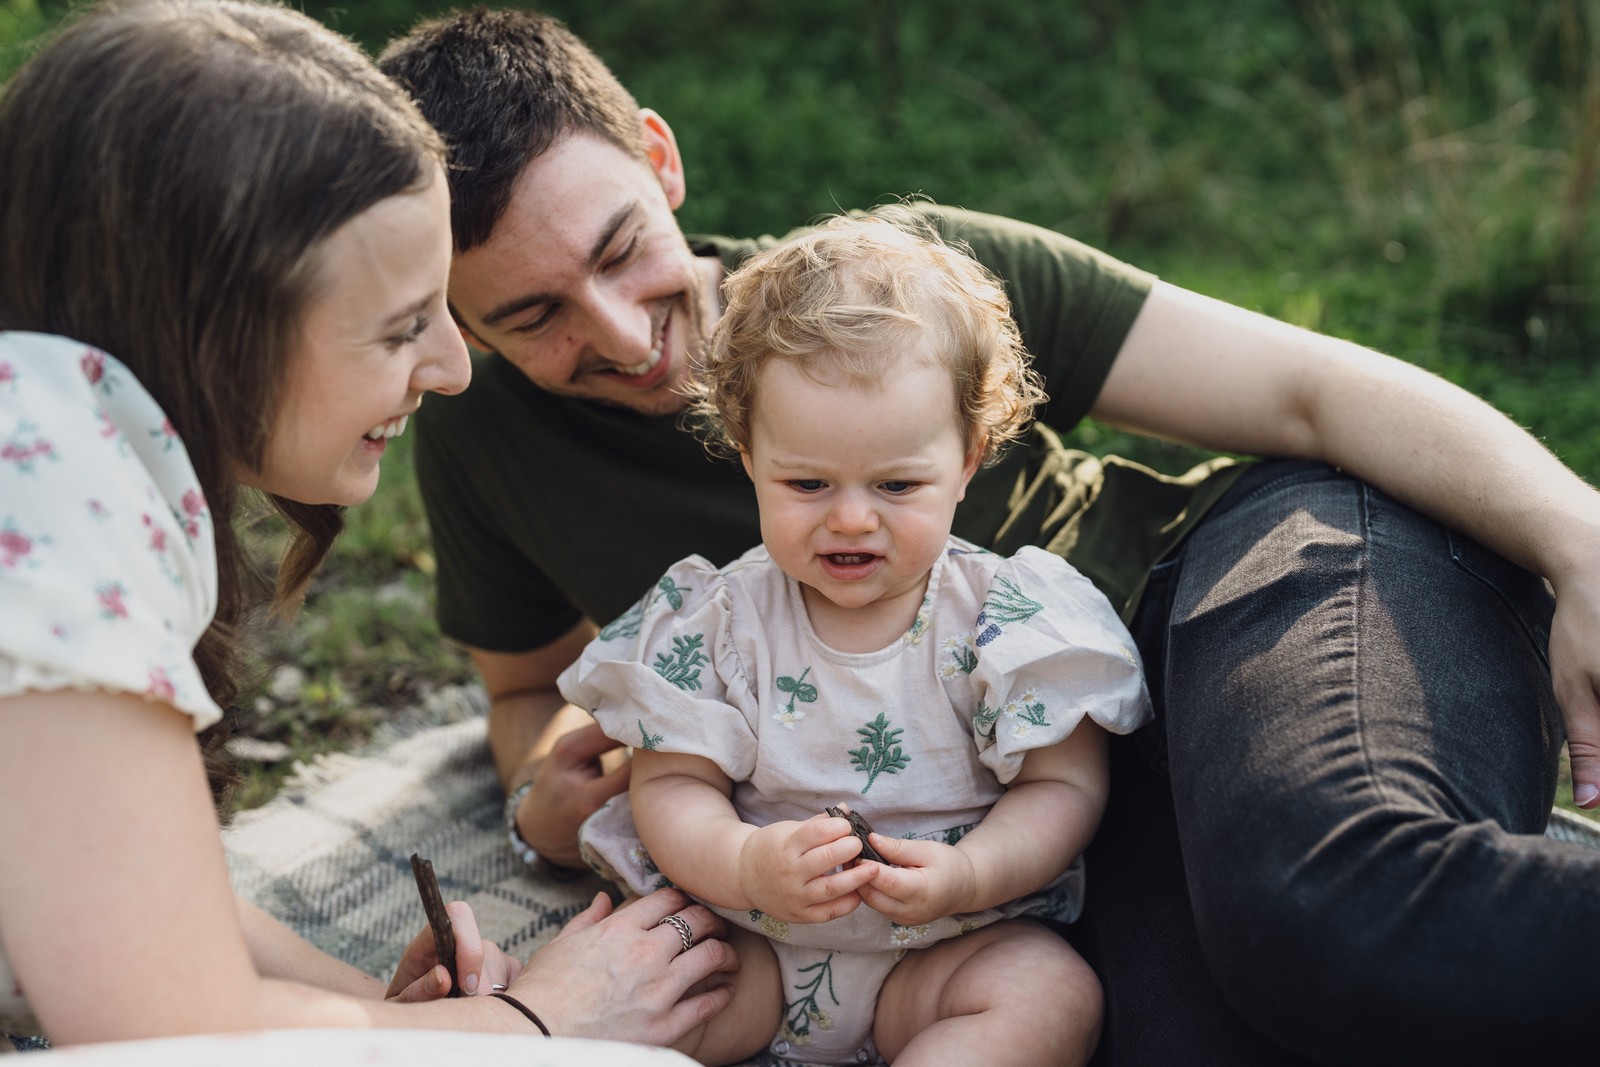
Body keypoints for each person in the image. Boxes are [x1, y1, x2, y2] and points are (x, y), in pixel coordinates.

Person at [378, 8, 1600, 1064]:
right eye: (532, 314)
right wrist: (541, 784)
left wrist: (1578, 537)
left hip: (1249, 576)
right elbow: (526, 691)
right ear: (457, 314)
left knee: (1326, 899)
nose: (620, 333)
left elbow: (1313, 391)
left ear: (660, 157)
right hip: (1088, 816)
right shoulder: (485, 438)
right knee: (1196, 1036)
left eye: (620, 249)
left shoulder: (909, 295)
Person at [0, 0, 736, 1051]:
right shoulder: (51, 488)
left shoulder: (57, 427)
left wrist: (381, 1012)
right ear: (218, 324)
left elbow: (131, 893)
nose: (450, 366)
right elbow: (169, 1032)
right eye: (403, 325)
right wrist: (536, 1019)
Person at [560, 215, 1151, 1066]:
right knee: (637, 983)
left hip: (953, 945)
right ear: (748, 452)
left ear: (969, 456)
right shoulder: (720, 618)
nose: (849, 517)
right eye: (805, 481)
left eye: (897, 483)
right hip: (754, 942)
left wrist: (971, 874)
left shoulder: (1008, 618)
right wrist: (745, 863)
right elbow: (670, 787)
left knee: (1051, 994)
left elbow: (1065, 785)